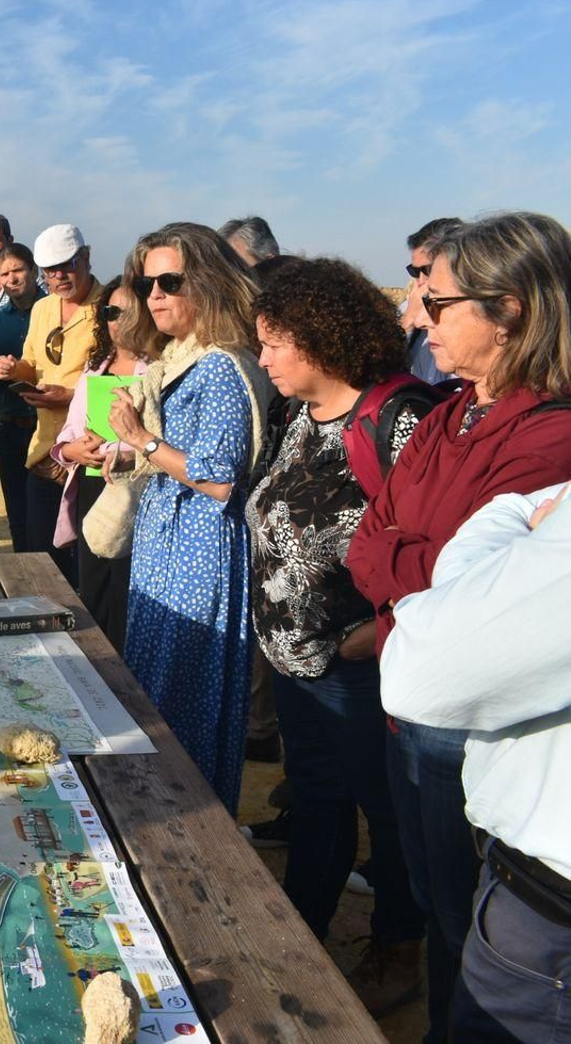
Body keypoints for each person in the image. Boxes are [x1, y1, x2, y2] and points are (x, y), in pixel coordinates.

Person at [346, 211, 571, 1041]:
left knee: (460, 917)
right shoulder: (451, 413)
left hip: (461, 726)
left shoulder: (550, 436)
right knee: (441, 901)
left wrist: (421, 574)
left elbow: (465, 592)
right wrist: (425, 572)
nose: (417, 314)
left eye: (437, 303)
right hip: (413, 695)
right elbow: (373, 542)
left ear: (507, 309)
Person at [246, 258, 430, 1015]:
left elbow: (438, 550)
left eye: (274, 344)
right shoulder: (301, 418)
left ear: (321, 340)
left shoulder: (398, 422)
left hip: (356, 669)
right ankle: (302, 933)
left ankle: (397, 944)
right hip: (297, 662)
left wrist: (373, 636)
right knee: (320, 803)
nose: (262, 360)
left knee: (386, 813)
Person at [381, 481, 571, 1043]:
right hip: (540, 909)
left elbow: (420, 668)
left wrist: (447, 592)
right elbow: (382, 542)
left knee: (446, 913)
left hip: (547, 928)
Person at [106, 222, 272, 815]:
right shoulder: (183, 359)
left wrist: (142, 441)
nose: (155, 295)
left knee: (183, 696)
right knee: (160, 691)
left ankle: (192, 830)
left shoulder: (222, 367)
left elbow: (219, 477)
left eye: (170, 281)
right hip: (174, 548)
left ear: (205, 281)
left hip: (199, 554)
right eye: (146, 283)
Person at [49, 276, 154, 653]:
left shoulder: (159, 369)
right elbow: (67, 435)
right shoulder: (95, 368)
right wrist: (71, 451)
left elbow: (156, 438)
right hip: (92, 488)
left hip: (135, 494)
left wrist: (114, 447)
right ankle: (96, 669)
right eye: (110, 312)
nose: (118, 321)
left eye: (128, 312)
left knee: (127, 591)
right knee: (92, 587)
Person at [0, 224, 101, 581]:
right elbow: (34, 365)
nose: (57, 277)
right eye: (49, 270)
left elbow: (122, 376)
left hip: (91, 452)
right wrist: (14, 371)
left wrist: (70, 397)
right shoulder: (42, 308)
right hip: (44, 450)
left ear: (85, 257)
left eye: (65, 266)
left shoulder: (110, 307)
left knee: (88, 564)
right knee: (41, 559)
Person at [0, 243, 41, 552]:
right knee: (17, 509)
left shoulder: (55, 310)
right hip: (10, 426)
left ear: (34, 271)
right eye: (4, 274)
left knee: (49, 509)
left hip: (49, 426)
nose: (11, 278)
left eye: (17, 270)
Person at [401, 217, 462, 385]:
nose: (420, 280)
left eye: (427, 270)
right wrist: (407, 321)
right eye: (414, 271)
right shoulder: (409, 307)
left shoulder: (472, 313)